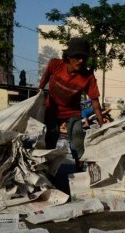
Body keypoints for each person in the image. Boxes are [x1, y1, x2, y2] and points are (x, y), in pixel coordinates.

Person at [38, 37, 103, 172]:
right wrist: (38, 93)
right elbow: (44, 78)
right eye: (78, 57)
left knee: (78, 140)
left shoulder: (88, 77)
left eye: (84, 58)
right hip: (52, 109)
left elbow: (95, 101)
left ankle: (79, 171)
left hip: (72, 112)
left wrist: (102, 124)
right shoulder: (55, 65)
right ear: (69, 57)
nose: (81, 61)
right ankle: (46, 170)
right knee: (52, 135)